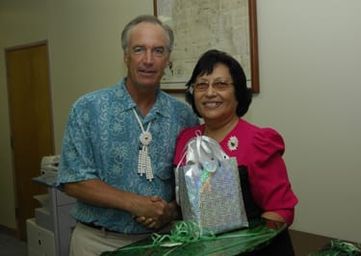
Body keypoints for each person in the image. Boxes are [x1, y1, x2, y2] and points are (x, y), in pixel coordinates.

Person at [57, 15, 198, 256]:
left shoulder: (183, 116)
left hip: (163, 242)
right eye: (139, 49)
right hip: (98, 242)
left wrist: (170, 211)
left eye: (158, 51)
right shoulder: (88, 108)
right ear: (125, 56)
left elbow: (192, 180)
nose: (148, 60)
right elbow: (73, 180)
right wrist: (135, 203)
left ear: (168, 59)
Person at [173, 49, 298, 255]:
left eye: (221, 84)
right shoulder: (186, 139)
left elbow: (281, 211)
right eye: (201, 85)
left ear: (238, 93)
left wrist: (240, 247)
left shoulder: (258, 141)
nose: (210, 92)